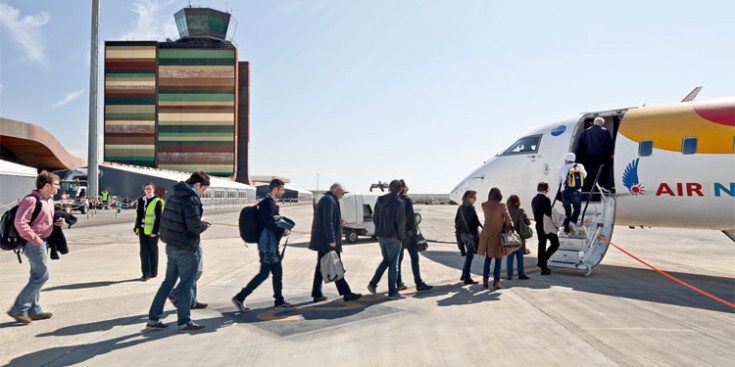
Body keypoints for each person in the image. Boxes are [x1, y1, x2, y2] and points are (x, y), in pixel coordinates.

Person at [146, 170, 211, 332]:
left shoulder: (174, 196)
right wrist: (204, 225)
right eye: (203, 190)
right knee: (187, 284)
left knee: (167, 283)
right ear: (197, 185)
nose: (202, 193)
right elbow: (194, 226)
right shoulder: (191, 199)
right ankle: (184, 321)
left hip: (171, 245)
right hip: (186, 247)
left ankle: (154, 318)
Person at [7, 171, 63, 324]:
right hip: (33, 243)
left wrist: (57, 222)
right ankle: (18, 309)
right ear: (46, 185)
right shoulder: (31, 200)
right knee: (42, 276)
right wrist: (35, 239)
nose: (59, 188)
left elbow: (45, 219)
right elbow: (20, 222)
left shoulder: (49, 200)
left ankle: (34, 311)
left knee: (36, 276)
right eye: (56, 185)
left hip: (43, 241)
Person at [232, 179, 296, 311]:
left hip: (270, 244)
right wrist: (282, 229)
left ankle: (279, 301)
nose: (283, 192)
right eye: (282, 190)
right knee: (264, 274)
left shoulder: (269, 203)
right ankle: (240, 297)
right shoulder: (268, 204)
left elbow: (270, 223)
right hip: (267, 246)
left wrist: (281, 230)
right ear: (275, 189)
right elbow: (268, 223)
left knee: (277, 272)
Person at [309, 183, 362, 302]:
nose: (342, 195)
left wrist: (339, 220)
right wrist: (332, 239)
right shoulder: (329, 200)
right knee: (337, 265)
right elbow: (327, 222)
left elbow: (328, 218)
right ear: (337, 191)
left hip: (323, 241)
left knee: (321, 267)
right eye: (342, 192)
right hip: (327, 242)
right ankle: (347, 293)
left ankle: (317, 294)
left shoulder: (327, 199)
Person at [367, 180, 406, 299]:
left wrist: (379, 229)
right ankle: (393, 292)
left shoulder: (379, 200)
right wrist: (401, 237)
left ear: (389, 188)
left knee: (386, 261)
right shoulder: (399, 203)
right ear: (400, 190)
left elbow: (374, 218)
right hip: (393, 237)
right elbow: (400, 222)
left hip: (381, 236)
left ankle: (373, 284)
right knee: (394, 265)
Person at [396, 180, 432, 291]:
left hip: (399, 236)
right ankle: (419, 283)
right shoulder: (406, 199)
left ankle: (399, 283)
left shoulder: (395, 200)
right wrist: (413, 230)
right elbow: (411, 218)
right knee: (415, 259)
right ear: (402, 188)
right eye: (406, 186)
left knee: (399, 261)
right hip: (409, 236)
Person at [476, 187, 511, 290]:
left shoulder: (484, 205)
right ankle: (496, 281)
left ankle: (485, 280)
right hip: (497, 236)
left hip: (486, 236)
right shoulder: (502, 206)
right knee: (498, 260)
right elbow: (508, 220)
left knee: (488, 259)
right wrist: (503, 222)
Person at [574, 116, 614, 191]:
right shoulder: (605, 131)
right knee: (601, 176)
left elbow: (580, 146)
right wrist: (611, 154)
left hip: (589, 159)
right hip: (602, 158)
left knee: (590, 176)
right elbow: (609, 145)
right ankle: (600, 190)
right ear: (601, 124)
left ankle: (590, 190)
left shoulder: (586, 131)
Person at [134, 182, 163, 281]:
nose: (148, 190)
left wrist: (155, 231)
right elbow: (139, 215)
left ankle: (153, 272)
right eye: (146, 188)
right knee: (144, 251)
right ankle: (146, 273)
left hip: (153, 231)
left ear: (153, 190)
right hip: (142, 229)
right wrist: (136, 227)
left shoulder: (157, 201)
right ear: (144, 190)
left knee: (153, 251)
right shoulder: (141, 200)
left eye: (150, 189)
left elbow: (159, 218)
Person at [531, 182, 560, 275]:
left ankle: (542, 265)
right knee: (555, 244)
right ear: (546, 189)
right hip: (546, 225)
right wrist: (555, 225)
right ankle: (543, 262)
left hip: (538, 224)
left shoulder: (534, 199)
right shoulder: (546, 199)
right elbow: (549, 214)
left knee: (541, 245)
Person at [454, 190, 481, 284]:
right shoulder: (471, 208)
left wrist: (459, 237)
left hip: (462, 235)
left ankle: (463, 275)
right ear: (469, 198)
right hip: (471, 236)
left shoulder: (460, 208)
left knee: (469, 256)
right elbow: (475, 222)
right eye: (474, 197)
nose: (475, 199)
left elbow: (457, 223)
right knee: (470, 257)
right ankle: (467, 278)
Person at [559, 153, 587, 233]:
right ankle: (573, 222)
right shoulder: (580, 166)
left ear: (567, 160)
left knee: (567, 211)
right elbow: (585, 175)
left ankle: (566, 230)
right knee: (577, 208)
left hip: (564, 191)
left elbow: (559, 181)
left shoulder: (562, 168)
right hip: (576, 191)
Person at [506, 195, 530, 280]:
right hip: (519, 237)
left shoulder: (506, 211)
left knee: (510, 257)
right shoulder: (520, 211)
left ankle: (509, 275)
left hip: (509, 236)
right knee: (520, 257)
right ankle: (521, 274)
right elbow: (528, 222)